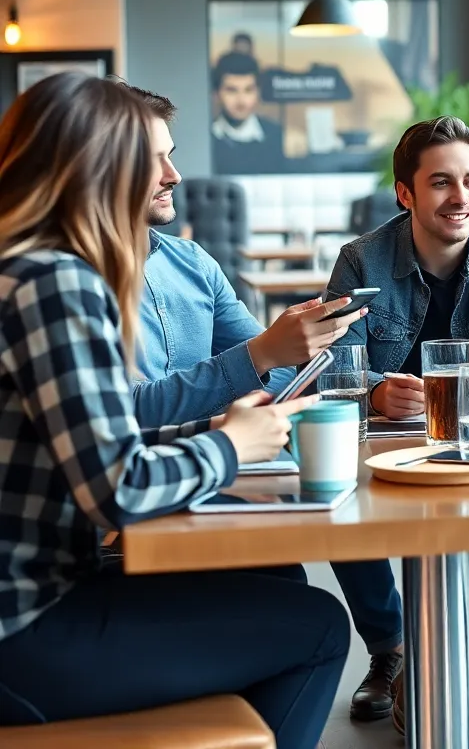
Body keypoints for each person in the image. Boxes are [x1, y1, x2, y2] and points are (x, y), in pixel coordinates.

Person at [0, 74, 349, 749]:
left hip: (45, 594)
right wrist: (231, 446)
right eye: (154, 157)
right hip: (25, 624)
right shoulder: (56, 281)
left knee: (271, 581)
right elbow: (118, 489)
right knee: (318, 629)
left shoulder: (28, 268)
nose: (174, 173)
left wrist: (218, 430)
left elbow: (97, 434)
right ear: (98, 164)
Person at [329, 115, 469, 729]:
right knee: (339, 501)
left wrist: (446, 396)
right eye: (442, 183)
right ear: (407, 193)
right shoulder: (361, 260)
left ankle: (438, 643)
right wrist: (374, 392)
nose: (462, 198)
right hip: (381, 443)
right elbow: (332, 370)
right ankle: (391, 648)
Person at [129, 85, 364, 429]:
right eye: (153, 161)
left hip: (222, 461)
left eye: (170, 155)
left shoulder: (194, 262)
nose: (174, 175)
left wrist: (278, 350)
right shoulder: (71, 279)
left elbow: (280, 374)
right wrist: (260, 354)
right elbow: (122, 413)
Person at [211, 53, 285, 174]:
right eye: (231, 90)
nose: (241, 100)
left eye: (248, 90)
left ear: (258, 92)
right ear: (217, 94)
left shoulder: (277, 135)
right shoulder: (206, 139)